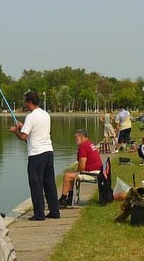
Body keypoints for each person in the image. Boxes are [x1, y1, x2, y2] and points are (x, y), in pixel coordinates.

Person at [10, 91, 60, 221]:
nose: (25, 105)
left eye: (26, 102)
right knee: (49, 183)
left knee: (36, 184)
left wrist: (16, 131)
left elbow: (23, 137)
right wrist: (23, 126)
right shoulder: (45, 114)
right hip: (48, 152)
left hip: (36, 154)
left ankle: (39, 214)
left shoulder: (31, 117)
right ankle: (54, 211)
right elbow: (35, 132)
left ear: (30, 102)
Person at [58, 129, 102, 207]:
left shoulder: (83, 146)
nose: (75, 139)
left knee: (67, 176)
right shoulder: (90, 143)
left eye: (76, 137)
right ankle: (70, 198)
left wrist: (77, 172)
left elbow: (82, 165)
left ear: (81, 136)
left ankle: (63, 198)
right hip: (98, 171)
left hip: (93, 173)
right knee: (70, 173)